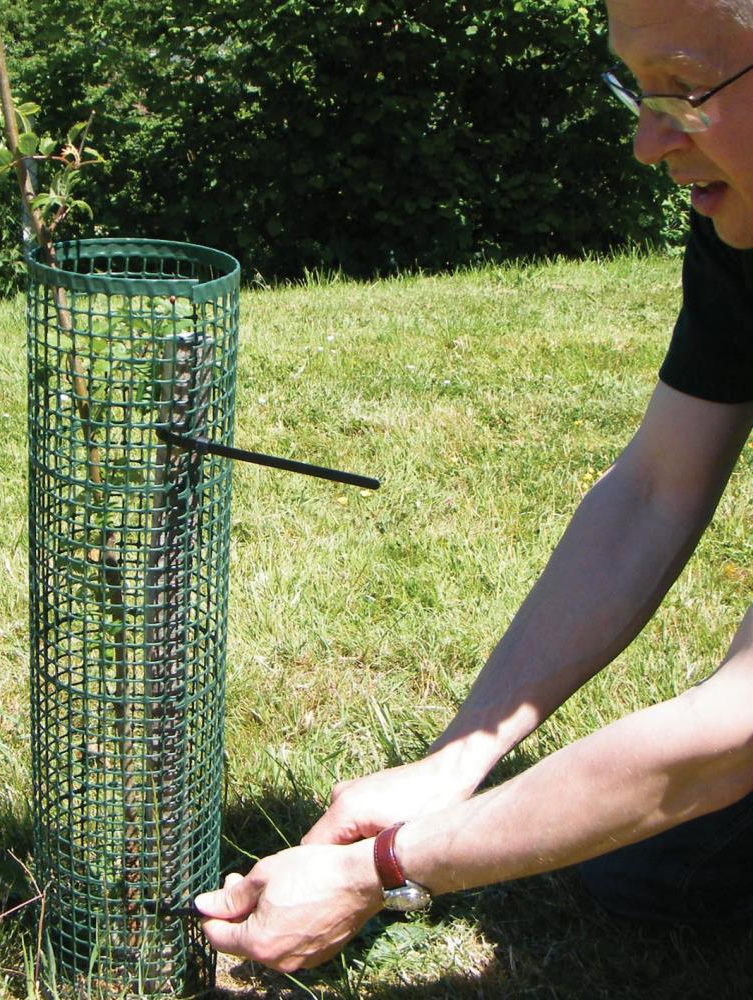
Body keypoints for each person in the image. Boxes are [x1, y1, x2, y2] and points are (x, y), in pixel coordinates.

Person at [194, 0, 753, 974]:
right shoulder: (741, 228)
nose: (645, 141)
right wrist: (452, 765)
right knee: (639, 875)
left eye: (684, 92)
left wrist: (385, 869)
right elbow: (654, 490)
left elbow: (735, 727)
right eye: (637, 88)